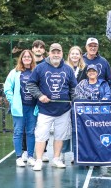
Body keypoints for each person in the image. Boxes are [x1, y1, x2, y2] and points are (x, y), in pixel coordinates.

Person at [27, 43, 77, 171]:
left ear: (61, 53)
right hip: (45, 110)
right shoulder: (40, 68)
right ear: (49, 53)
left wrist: (74, 100)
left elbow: (73, 88)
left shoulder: (68, 69)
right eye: (53, 52)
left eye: (58, 52)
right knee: (41, 136)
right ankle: (38, 160)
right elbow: (31, 84)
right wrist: (39, 95)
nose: (56, 54)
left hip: (63, 110)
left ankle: (56, 159)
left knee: (60, 136)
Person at [4, 50, 38, 167]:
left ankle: (30, 156)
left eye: (29, 56)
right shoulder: (15, 72)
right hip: (19, 107)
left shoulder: (36, 71)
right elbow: (7, 88)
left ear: (32, 58)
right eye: (25, 57)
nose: (27, 58)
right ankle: (19, 157)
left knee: (31, 132)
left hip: (33, 107)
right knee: (18, 132)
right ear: (21, 59)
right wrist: (13, 101)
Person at [21, 40, 50, 163]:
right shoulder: (27, 63)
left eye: (41, 47)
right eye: (36, 47)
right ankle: (26, 151)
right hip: (27, 102)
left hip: (42, 102)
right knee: (26, 127)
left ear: (44, 50)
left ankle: (42, 152)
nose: (38, 49)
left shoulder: (47, 64)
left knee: (43, 127)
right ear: (32, 49)